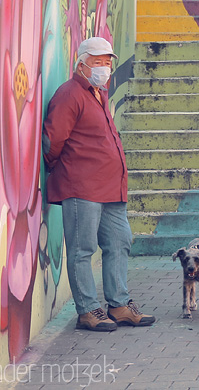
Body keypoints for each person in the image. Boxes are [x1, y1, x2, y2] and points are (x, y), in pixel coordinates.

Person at [43, 37, 155, 332]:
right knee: (82, 249)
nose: (104, 67)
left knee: (120, 242)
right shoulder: (70, 94)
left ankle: (119, 305)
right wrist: (61, 168)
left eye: (107, 62)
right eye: (98, 61)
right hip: (82, 186)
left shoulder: (98, 93)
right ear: (81, 64)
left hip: (110, 188)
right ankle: (88, 310)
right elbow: (53, 140)